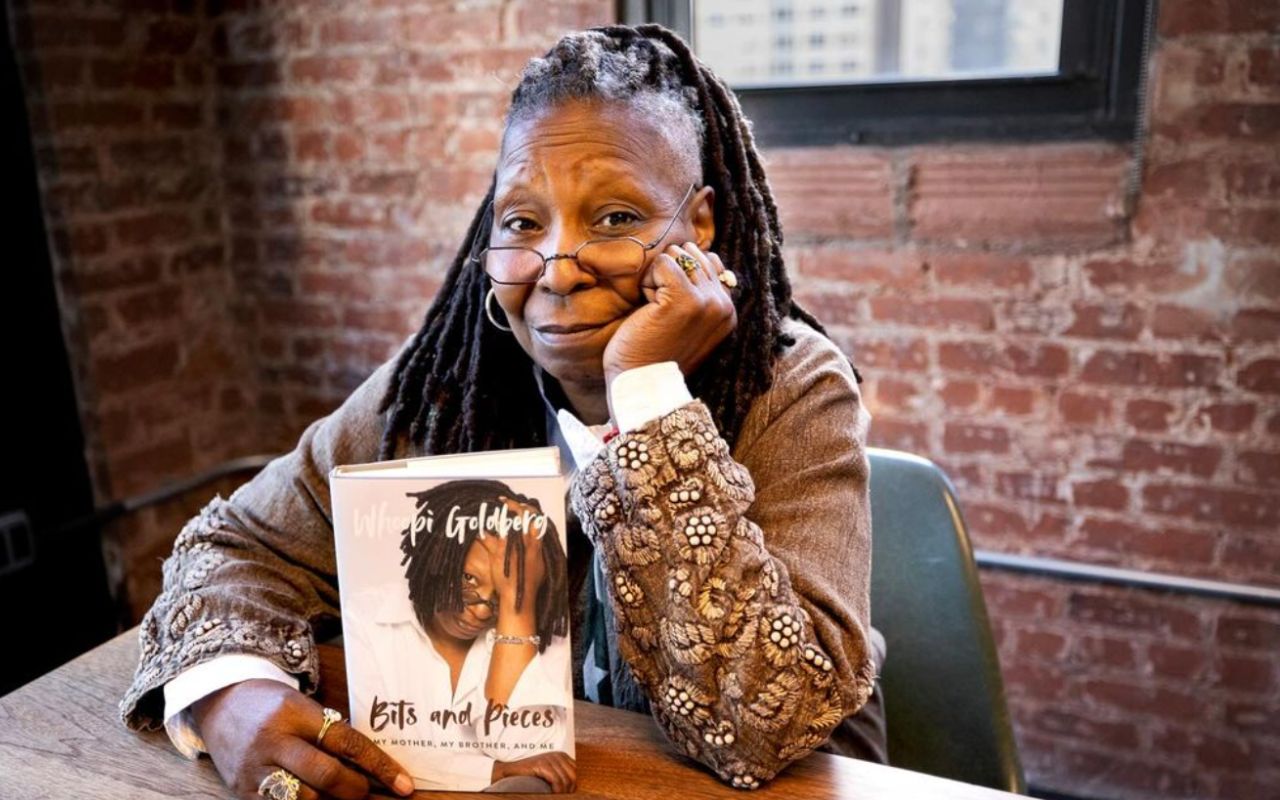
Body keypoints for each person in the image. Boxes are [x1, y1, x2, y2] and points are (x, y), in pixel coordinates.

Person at [119, 23, 885, 799]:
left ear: (701, 225)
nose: (556, 270)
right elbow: (236, 546)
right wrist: (229, 695)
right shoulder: (445, 388)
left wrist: (646, 394)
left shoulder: (792, 387)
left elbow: (765, 724)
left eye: (616, 218)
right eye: (523, 222)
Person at [341, 481, 575, 792]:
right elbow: (372, 751)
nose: (481, 611)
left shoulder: (538, 633)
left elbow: (524, 750)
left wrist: (517, 606)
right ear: (438, 555)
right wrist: (495, 771)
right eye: (469, 579)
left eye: (500, 594)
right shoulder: (367, 618)